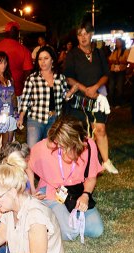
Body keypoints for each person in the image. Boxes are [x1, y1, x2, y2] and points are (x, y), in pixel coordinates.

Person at [28, 116, 104, 240]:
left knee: (96, 230)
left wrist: (85, 195)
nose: (59, 147)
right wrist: (31, 189)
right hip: (52, 191)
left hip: (76, 192)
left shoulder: (89, 146)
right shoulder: (44, 146)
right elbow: (28, 165)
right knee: (70, 233)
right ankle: (46, 214)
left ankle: (58, 217)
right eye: (58, 143)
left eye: (64, 145)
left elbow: (91, 176)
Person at [63, 22, 118, 174]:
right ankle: (84, 164)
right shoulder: (72, 54)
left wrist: (94, 88)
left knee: (100, 129)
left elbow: (106, 74)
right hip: (79, 99)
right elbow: (68, 78)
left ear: (91, 34)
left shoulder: (99, 53)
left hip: (97, 97)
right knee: (82, 133)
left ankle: (106, 161)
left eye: (86, 33)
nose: (83, 37)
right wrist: (85, 89)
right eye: (80, 35)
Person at [18, 46, 74, 148]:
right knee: (33, 149)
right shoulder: (32, 78)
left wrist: (71, 92)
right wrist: (21, 117)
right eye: (40, 59)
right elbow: (25, 99)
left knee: (49, 149)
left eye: (46, 58)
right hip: (36, 118)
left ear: (52, 60)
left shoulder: (60, 78)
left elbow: (64, 96)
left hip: (53, 119)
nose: (42, 62)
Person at [0, 21, 32, 99]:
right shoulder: (24, 50)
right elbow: (28, 73)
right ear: (18, 33)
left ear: (5, 33)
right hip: (17, 92)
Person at [108, 38, 129, 108]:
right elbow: (110, 60)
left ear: (122, 43)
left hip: (121, 71)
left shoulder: (126, 51)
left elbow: (128, 61)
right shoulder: (114, 51)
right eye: (116, 42)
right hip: (113, 70)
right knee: (111, 87)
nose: (117, 43)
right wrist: (114, 62)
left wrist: (120, 62)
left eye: (118, 42)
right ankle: (111, 103)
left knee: (119, 87)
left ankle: (118, 103)